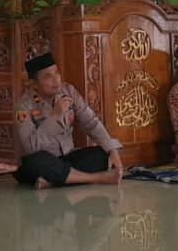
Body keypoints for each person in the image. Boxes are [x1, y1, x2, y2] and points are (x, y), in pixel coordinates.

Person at [13, 52, 123, 189]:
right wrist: (54, 117)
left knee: (103, 154)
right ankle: (96, 178)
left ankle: (53, 181)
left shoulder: (68, 92)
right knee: (37, 162)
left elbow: (91, 123)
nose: (56, 80)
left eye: (57, 73)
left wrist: (112, 149)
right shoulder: (23, 107)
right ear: (34, 84)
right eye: (48, 76)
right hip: (39, 161)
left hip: (66, 157)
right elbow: (31, 147)